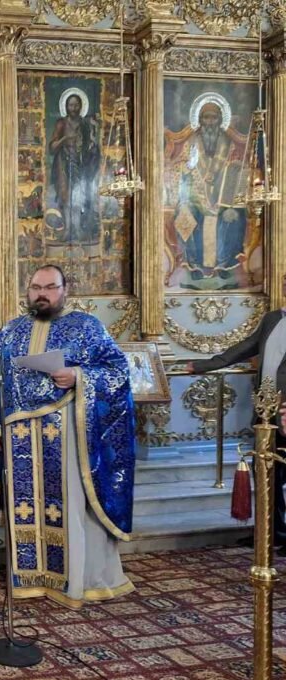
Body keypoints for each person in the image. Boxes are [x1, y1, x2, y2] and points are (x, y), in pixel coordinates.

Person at [0, 265, 135, 607]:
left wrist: (78, 376)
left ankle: (73, 580)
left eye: (51, 287)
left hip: (66, 431)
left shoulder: (87, 327)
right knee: (25, 507)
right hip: (19, 434)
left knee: (67, 506)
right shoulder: (11, 331)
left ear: (65, 290)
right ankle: (31, 577)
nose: (43, 294)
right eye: (36, 287)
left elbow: (117, 371)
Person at [187, 273, 286, 552]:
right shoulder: (272, 319)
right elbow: (246, 347)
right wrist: (205, 365)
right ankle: (271, 531)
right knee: (266, 471)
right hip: (266, 411)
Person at [167, 99, 248, 276]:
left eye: (214, 117)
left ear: (220, 120)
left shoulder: (228, 142)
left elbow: (238, 167)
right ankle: (193, 264)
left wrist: (233, 169)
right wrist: (188, 166)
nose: (210, 122)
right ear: (200, 119)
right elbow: (179, 167)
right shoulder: (192, 142)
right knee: (185, 213)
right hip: (196, 195)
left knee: (233, 215)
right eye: (206, 117)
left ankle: (224, 263)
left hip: (222, 195)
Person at [47, 93, 101, 245]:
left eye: (76, 105)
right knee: (64, 196)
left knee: (79, 196)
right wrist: (64, 140)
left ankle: (76, 229)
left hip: (81, 163)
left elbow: (91, 144)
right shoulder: (61, 124)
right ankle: (67, 230)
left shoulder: (85, 124)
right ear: (66, 106)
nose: (74, 108)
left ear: (81, 106)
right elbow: (52, 147)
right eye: (71, 105)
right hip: (63, 164)